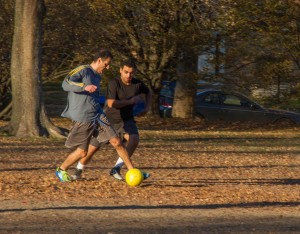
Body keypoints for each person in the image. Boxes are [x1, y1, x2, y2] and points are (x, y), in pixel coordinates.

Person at [55, 49, 135, 182]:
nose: (108, 67)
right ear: (99, 61)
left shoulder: (98, 76)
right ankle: (61, 169)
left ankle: (133, 171)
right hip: (83, 117)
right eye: (107, 64)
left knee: (117, 142)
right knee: (82, 152)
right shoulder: (83, 70)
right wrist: (84, 87)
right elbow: (65, 83)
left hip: (98, 115)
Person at [72, 58, 152, 181]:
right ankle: (78, 170)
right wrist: (130, 101)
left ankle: (117, 168)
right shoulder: (114, 83)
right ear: (120, 70)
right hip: (108, 121)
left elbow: (148, 92)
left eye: (131, 72)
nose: (129, 75)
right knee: (93, 148)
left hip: (126, 120)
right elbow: (110, 103)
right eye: (126, 72)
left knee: (134, 139)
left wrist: (146, 108)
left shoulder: (138, 84)